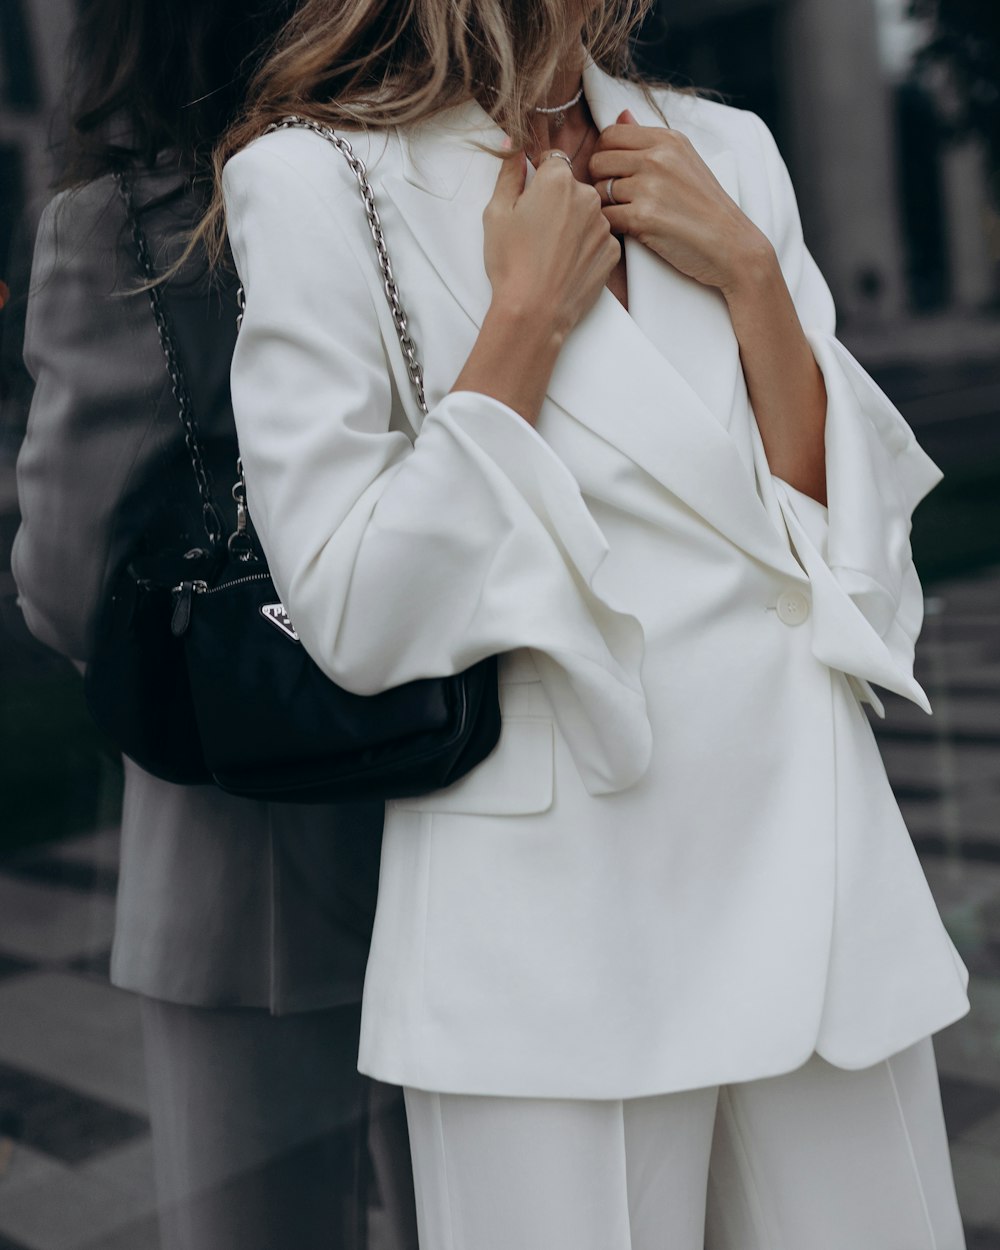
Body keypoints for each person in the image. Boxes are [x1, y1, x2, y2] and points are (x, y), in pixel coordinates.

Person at [215, 0, 971, 1246]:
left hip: (816, 878)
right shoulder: (311, 183)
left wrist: (750, 277)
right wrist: (523, 322)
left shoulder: (723, 151)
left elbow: (850, 561)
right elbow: (352, 607)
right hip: (549, 934)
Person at [11, 3, 417, 1248]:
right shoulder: (423, 184)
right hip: (463, 810)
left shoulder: (129, 226)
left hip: (241, 855)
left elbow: (68, 579)